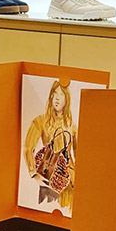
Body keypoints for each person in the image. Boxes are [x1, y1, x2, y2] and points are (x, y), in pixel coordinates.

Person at [23, 80, 75, 210]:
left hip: (70, 180)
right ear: (51, 95)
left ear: (67, 99)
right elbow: (28, 148)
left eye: (62, 94)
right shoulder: (40, 121)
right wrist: (33, 173)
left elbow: (79, 154)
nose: (57, 98)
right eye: (55, 93)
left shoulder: (72, 125)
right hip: (49, 179)